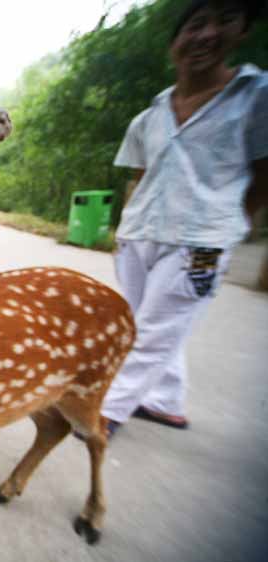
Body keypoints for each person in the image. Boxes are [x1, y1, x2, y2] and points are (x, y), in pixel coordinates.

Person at [101, 0, 268, 436]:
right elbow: (139, 176)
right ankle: (164, 401)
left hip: (201, 242)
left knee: (156, 329)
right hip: (140, 235)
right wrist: (124, 227)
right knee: (143, 322)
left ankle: (106, 414)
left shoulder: (258, 98)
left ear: (243, 30)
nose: (208, 35)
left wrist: (232, 227)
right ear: (176, 42)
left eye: (226, 19)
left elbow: (264, 174)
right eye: (196, 25)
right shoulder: (149, 115)